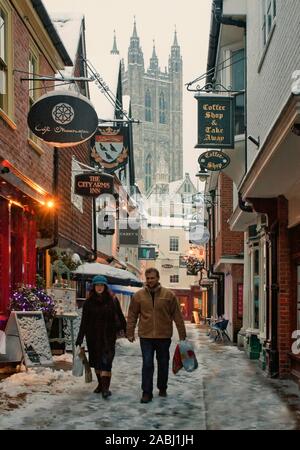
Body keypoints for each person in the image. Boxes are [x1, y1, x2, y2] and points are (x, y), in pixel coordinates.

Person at [126, 268, 187, 404]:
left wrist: (182, 334)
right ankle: (146, 392)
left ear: (158, 278)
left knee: (163, 363)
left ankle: (162, 387)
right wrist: (129, 332)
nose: (150, 280)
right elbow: (132, 315)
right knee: (147, 364)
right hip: (146, 336)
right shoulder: (138, 296)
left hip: (163, 336)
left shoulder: (169, 295)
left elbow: (177, 316)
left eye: (152, 278)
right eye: (148, 278)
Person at [75, 275, 126, 399]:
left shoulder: (112, 300)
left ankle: (105, 389)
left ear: (105, 286)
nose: (99, 287)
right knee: (97, 363)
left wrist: (126, 330)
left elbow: (120, 316)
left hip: (108, 337)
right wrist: (80, 338)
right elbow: (84, 322)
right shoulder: (88, 302)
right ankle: (100, 384)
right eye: (97, 285)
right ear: (93, 287)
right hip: (93, 337)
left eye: (101, 285)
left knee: (106, 362)